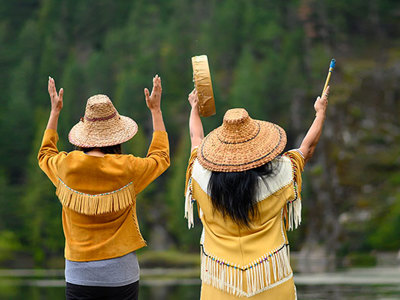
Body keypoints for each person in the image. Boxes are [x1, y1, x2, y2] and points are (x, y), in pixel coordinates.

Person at [184, 87, 329, 299]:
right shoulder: (281, 174)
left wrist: (194, 109)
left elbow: (195, 137)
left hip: (220, 286)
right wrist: (320, 113)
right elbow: (307, 148)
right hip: (271, 282)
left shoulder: (200, 176)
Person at [38, 75, 170, 300]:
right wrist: (156, 111)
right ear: (117, 136)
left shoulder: (66, 166)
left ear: (84, 134)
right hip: (121, 273)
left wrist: (55, 112)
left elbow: (45, 154)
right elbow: (161, 158)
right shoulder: (128, 168)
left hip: (79, 273)